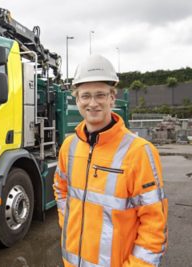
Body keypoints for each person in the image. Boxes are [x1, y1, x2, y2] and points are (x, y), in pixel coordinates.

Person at [53, 54, 168, 267]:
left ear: (112, 98)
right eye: (85, 96)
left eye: (100, 95)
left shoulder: (140, 152)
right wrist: (68, 223)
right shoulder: (69, 147)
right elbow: (61, 190)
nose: (93, 103)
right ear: (76, 100)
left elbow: (154, 225)